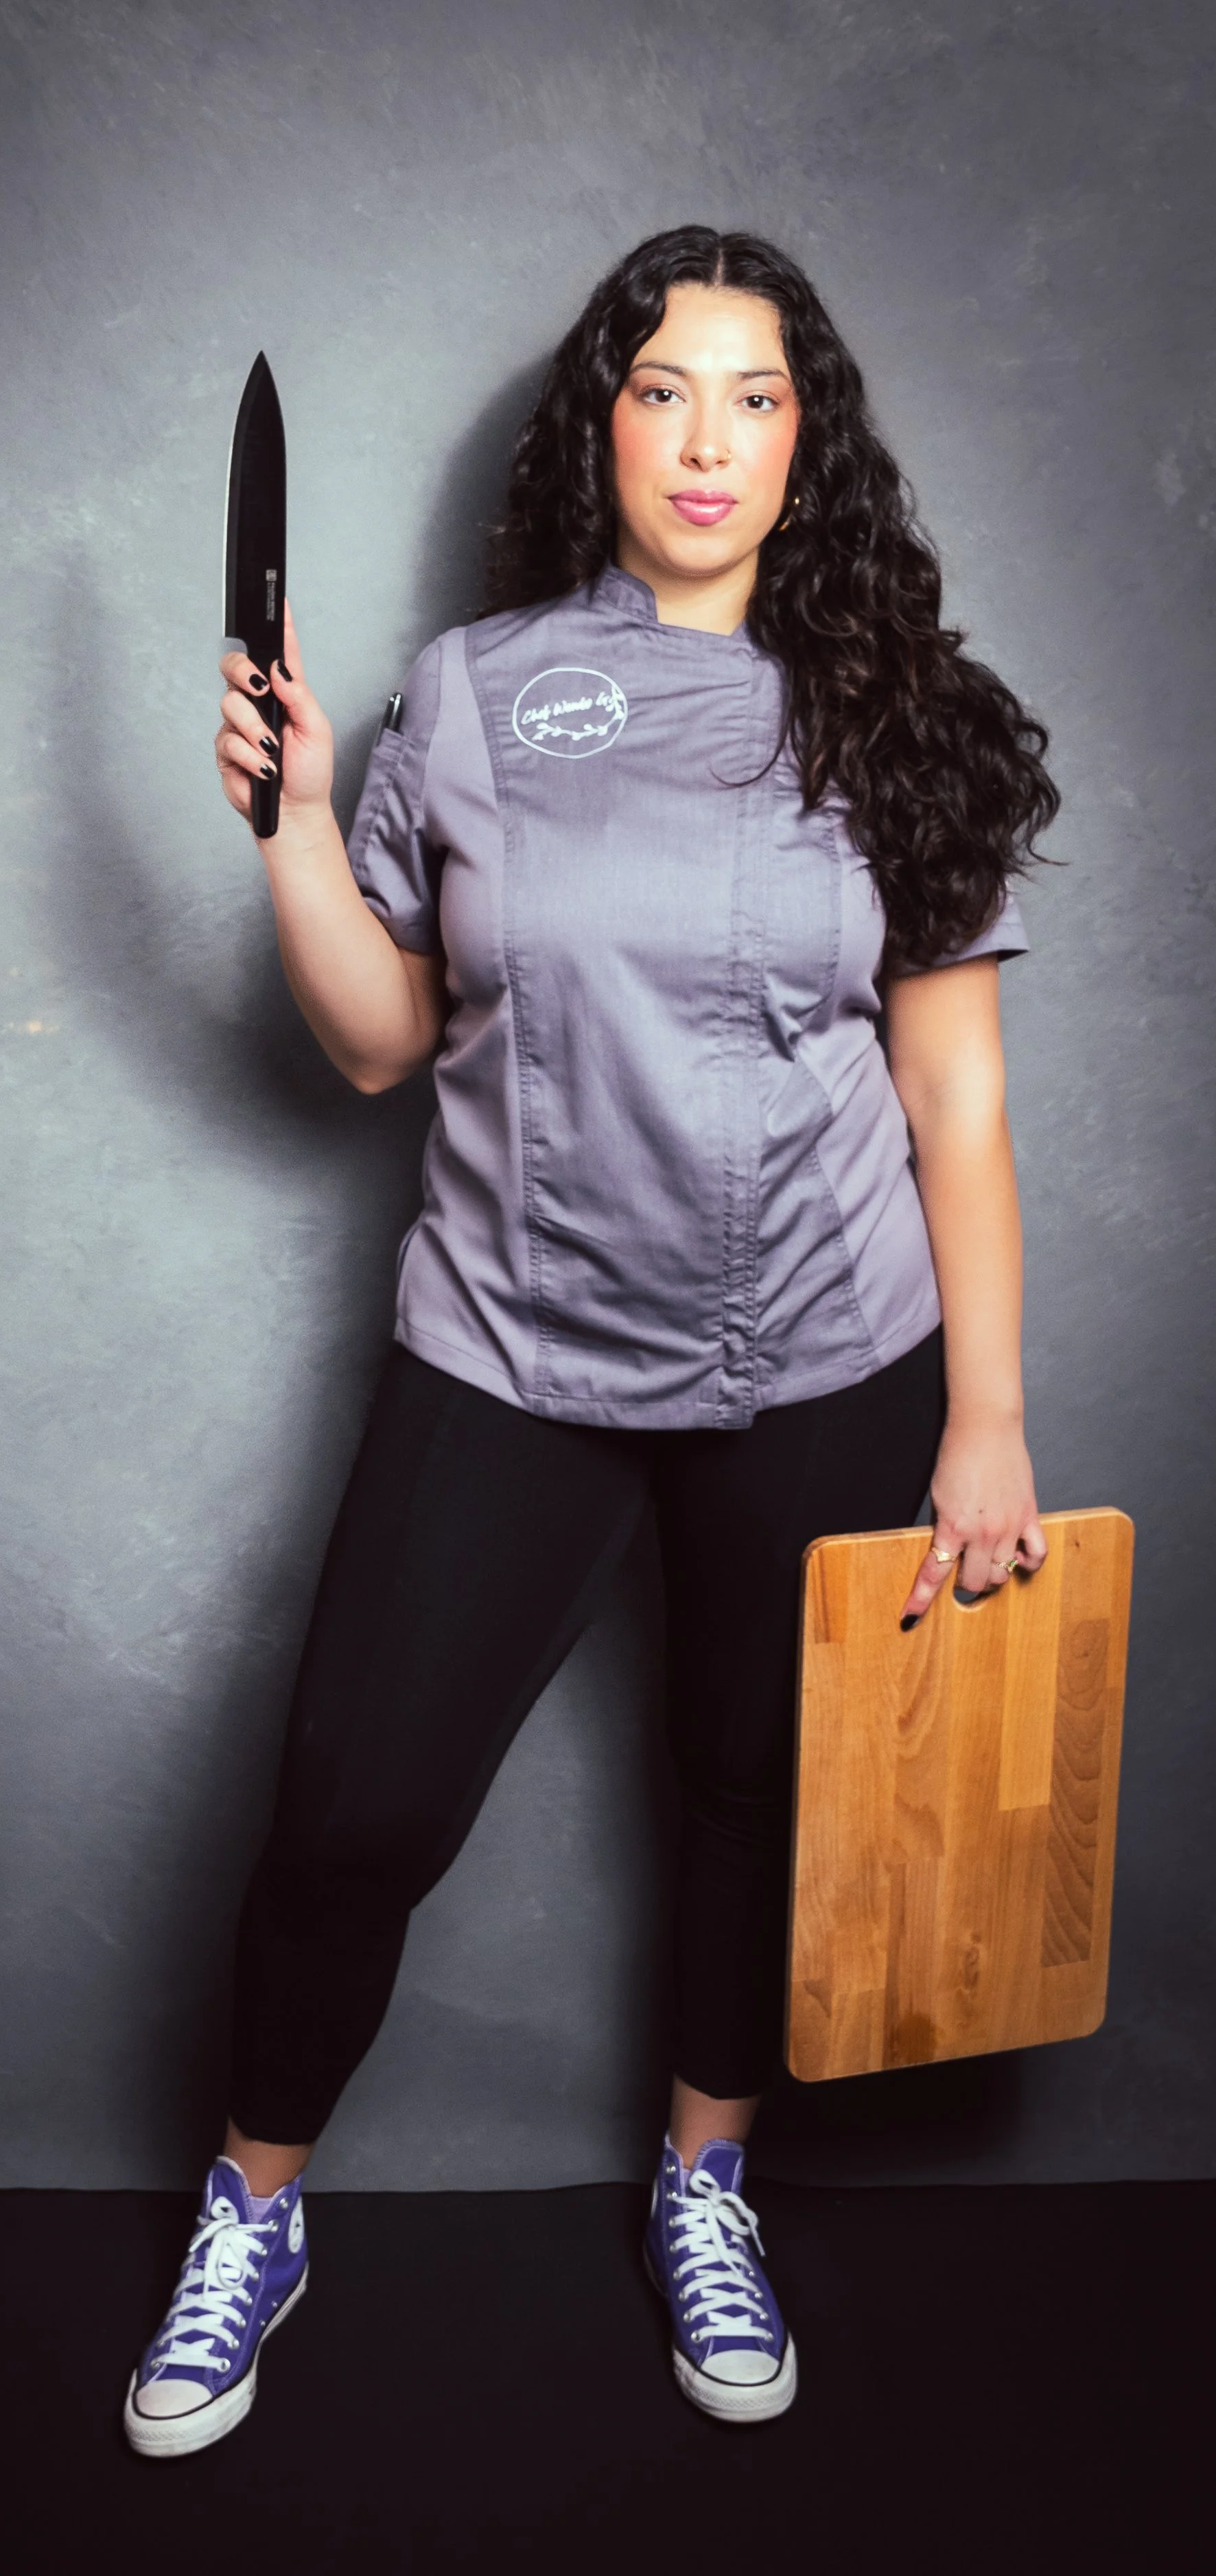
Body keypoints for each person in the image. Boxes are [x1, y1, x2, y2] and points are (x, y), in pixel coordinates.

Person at [123, 225, 1057, 2455]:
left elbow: (956, 1101)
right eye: (662, 390)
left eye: (752, 391)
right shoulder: (471, 692)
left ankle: (703, 2176)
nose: (706, 437)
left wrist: (992, 1419)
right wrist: (283, 831)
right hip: (510, 1346)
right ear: (602, 426)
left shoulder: (901, 714)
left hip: (825, 1357)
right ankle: (254, 2212)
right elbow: (373, 1048)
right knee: (351, 1806)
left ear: (806, 435)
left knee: (753, 1799)